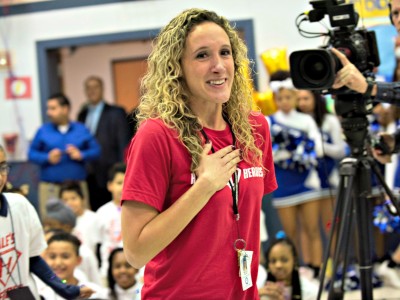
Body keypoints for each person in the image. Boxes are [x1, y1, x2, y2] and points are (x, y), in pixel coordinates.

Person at [121, 8, 277, 299]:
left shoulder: (255, 128)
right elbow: (135, 252)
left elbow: (241, 221)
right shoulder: (157, 136)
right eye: (202, 55)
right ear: (176, 68)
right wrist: (203, 187)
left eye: (225, 52)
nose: (218, 66)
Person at [0, 145, 93, 300]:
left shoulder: (20, 205)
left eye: (2, 168)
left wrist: (64, 288)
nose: (1, 177)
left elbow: (34, 258)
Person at [267, 79, 323, 277]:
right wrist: (284, 153)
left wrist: (299, 151)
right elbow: (266, 153)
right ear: (275, 99)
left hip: (307, 182)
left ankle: (316, 270)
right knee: (289, 233)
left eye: (288, 97)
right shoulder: (268, 121)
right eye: (280, 98)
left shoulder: (306, 120)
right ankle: (296, 273)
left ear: (295, 98)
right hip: (283, 184)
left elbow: (318, 149)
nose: (285, 101)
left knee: (313, 229)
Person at [28, 93, 100, 218]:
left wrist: (81, 154)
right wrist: (47, 157)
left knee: (83, 223)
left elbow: (96, 150)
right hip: (50, 188)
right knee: (52, 224)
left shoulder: (81, 129)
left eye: (53, 108)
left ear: (65, 109)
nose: (49, 112)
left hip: (76, 188)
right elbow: (30, 153)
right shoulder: (43, 131)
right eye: (48, 108)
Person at [77, 76, 131, 211]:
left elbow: (124, 142)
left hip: (110, 170)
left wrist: (122, 169)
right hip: (89, 173)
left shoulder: (116, 112)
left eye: (95, 87)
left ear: (102, 89)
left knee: (115, 211)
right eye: (88, 88)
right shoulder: (82, 115)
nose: (92, 91)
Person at [43, 199, 102, 286]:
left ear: (67, 227)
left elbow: (95, 283)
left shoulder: (85, 253)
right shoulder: (44, 251)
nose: (47, 229)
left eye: (52, 226)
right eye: (45, 225)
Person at [37, 232, 108, 299]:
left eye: (65, 256)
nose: (58, 263)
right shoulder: (38, 292)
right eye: (52, 257)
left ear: (78, 260)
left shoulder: (94, 292)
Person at [258, 235, 318, 300]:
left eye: (284, 260)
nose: (278, 265)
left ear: (294, 261)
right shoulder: (260, 288)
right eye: (273, 261)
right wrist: (256, 295)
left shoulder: (310, 291)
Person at [95, 162, 125, 280]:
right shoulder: (101, 213)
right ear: (110, 185)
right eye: (119, 183)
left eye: (128, 182)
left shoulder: (140, 211)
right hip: (108, 271)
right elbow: (97, 244)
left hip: (136, 272)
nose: (124, 187)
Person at [59, 181, 99, 255]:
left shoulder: (94, 218)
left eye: (73, 198)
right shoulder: (59, 223)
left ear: (82, 199)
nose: (69, 203)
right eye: (65, 200)